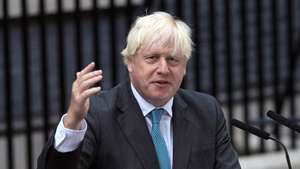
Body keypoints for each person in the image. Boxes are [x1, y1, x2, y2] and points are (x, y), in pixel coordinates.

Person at [37, 11, 241, 169]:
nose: (163, 69)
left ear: (185, 66)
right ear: (130, 62)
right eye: (152, 58)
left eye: (173, 60)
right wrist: (73, 122)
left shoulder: (206, 111)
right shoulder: (97, 115)